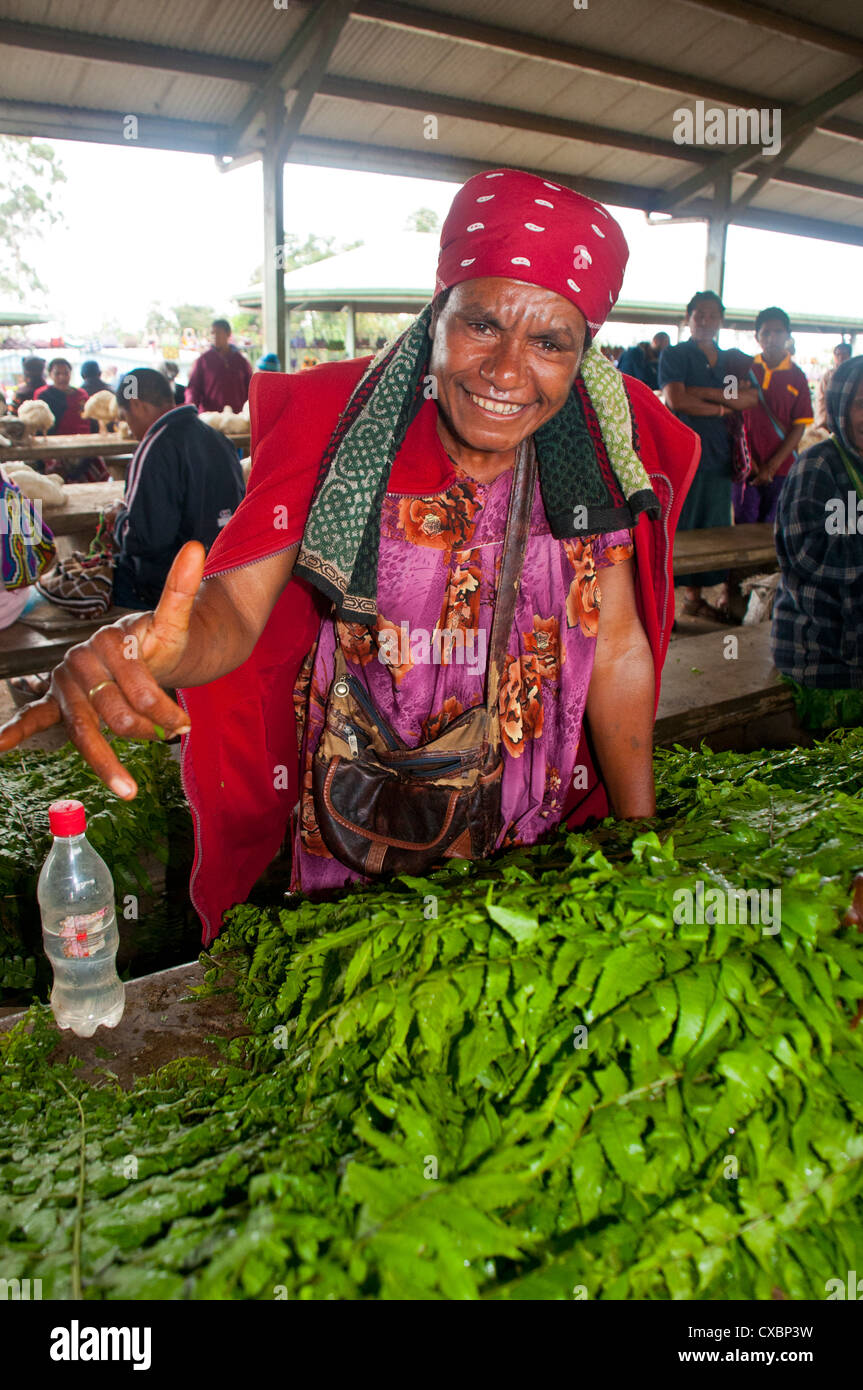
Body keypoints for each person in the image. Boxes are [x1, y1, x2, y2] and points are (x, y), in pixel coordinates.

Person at [0, 168, 699, 946]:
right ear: (435, 318)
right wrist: (153, 648)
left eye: (548, 342)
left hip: (535, 816)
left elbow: (616, 644)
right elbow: (233, 608)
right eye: (480, 326)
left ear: (581, 358)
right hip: (365, 815)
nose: (507, 371)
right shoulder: (338, 428)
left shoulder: (603, 451)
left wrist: (639, 839)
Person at [772, 354, 863, 729]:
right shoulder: (818, 465)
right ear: (842, 405)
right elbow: (807, 555)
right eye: (861, 404)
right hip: (823, 651)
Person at [110, 368, 245, 610]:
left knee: (106, 579)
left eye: (125, 416)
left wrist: (118, 519)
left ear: (137, 404)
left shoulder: (154, 447)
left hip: (171, 590)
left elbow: (146, 538)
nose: (129, 428)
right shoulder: (217, 439)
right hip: (222, 580)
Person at [659, 291, 757, 621]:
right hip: (684, 453)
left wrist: (698, 392)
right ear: (689, 318)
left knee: (710, 526)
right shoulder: (675, 354)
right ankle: (665, 606)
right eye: (699, 314)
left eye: (712, 315)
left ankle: (694, 598)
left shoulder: (733, 359)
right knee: (678, 526)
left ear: (720, 321)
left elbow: (748, 399)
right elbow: (676, 400)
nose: (705, 320)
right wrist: (721, 406)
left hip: (719, 455)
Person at [734, 307, 813, 525]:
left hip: (782, 469)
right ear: (757, 336)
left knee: (775, 528)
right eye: (766, 332)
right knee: (742, 526)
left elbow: (799, 426)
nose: (772, 338)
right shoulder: (738, 370)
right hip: (745, 465)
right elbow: (728, 412)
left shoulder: (798, 377)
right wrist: (751, 462)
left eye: (778, 332)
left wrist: (771, 466)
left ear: (788, 336)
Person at [34, 359, 109, 483]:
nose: (62, 377)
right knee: (57, 472)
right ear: (50, 375)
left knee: (96, 462)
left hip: (83, 444)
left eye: (66, 373)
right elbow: (37, 424)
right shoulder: (42, 395)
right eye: (57, 373)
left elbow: (91, 421)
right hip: (53, 447)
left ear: (71, 374)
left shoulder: (81, 394)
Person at [185, 319, 253, 413]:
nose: (215, 336)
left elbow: (251, 389)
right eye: (212, 333)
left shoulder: (241, 362)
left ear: (228, 334)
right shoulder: (203, 360)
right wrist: (190, 409)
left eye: (219, 332)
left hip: (237, 420)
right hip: (210, 419)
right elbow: (193, 389)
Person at [815, 342, 852, 430]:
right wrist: (822, 424)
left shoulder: (856, 374)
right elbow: (822, 399)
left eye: (844, 354)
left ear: (849, 355)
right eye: (837, 354)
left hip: (849, 420)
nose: (841, 357)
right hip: (830, 422)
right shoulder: (828, 376)